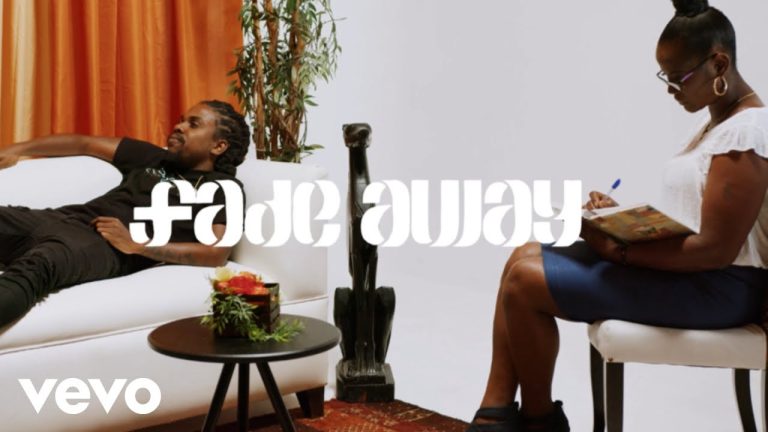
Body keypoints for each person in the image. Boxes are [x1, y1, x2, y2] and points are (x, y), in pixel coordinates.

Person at [468, 1, 768, 431]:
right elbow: (694, 218)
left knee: (525, 281)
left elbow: (715, 249)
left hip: (717, 290)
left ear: (718, 64)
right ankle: (495, 410)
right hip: (691, 278)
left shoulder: (747, 133)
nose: (671, 89)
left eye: (678, 77)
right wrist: (620, 220)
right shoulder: (716, 126)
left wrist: (618, 251)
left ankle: (537, 420)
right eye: (665, 77)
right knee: (523, 255)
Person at [0, 100, 249, 328]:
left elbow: (216, 252)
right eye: (182, 120)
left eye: (193, 124)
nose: (179, 126)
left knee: (39, 265)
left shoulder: (222, 188)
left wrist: (139, 245)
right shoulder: (153, 157)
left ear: (219, 145)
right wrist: (18, 149)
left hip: (104, 245)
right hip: (63, 218)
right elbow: (84, 143)